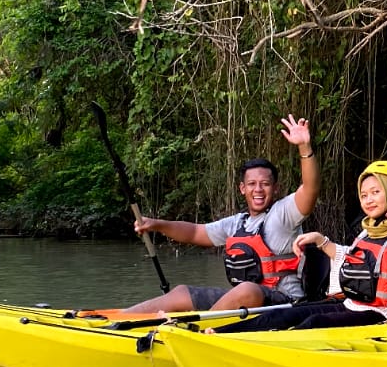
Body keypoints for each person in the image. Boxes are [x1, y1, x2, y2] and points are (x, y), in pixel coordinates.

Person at [117, 116, 320, 315]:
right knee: (180, 293)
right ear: (242, 188)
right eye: (251, 184)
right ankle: (116, 320)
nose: (258, 189)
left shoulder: (283, 214)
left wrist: (304, 147)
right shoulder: (237, 223)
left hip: (286, 303)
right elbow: (195, 232)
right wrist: (155, 224)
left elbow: (310, 188)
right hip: (246, 301)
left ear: (275, 189)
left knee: (246, 290)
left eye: (265, 184)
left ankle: (201, 329)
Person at [275, 160, 387, 333]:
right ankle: (246, 340)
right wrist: (321, 241)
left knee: (314, 323)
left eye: (375, 192)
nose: (368, 200)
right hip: (354, 306)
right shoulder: (370, 230)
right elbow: (355, 261)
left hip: (386, 317)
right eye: (364, 195)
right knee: (286, 315)